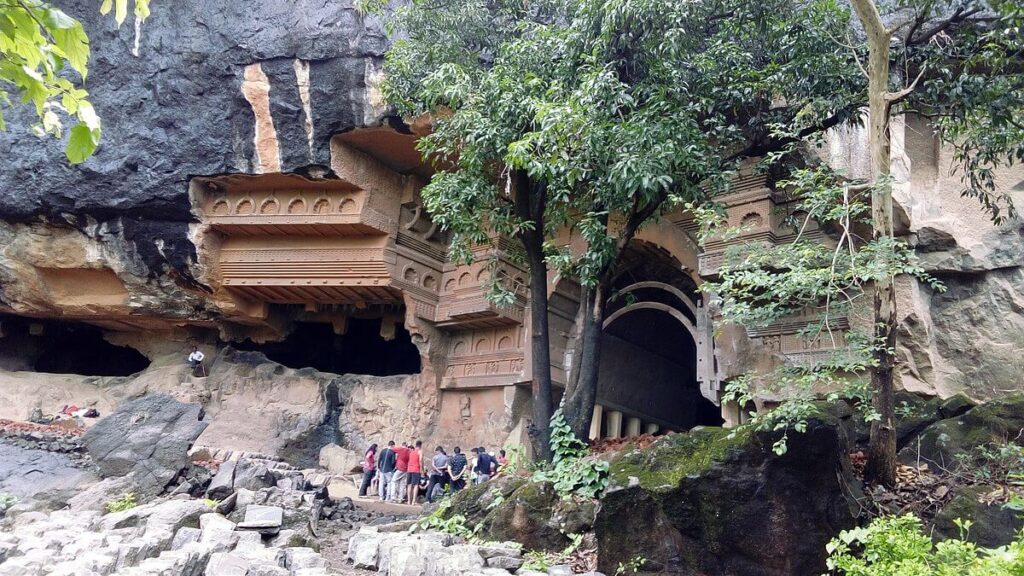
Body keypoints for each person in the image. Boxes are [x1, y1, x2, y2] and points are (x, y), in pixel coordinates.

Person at [406, 440, 423, 505]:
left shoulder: (411, 452)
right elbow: (420, 460)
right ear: (420, 445)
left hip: (409, 469)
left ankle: (408, 501)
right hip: (416, 469)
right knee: (416, 485)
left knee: (409, 485)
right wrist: (422, 470)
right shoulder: (420, 452)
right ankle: (413, 501)